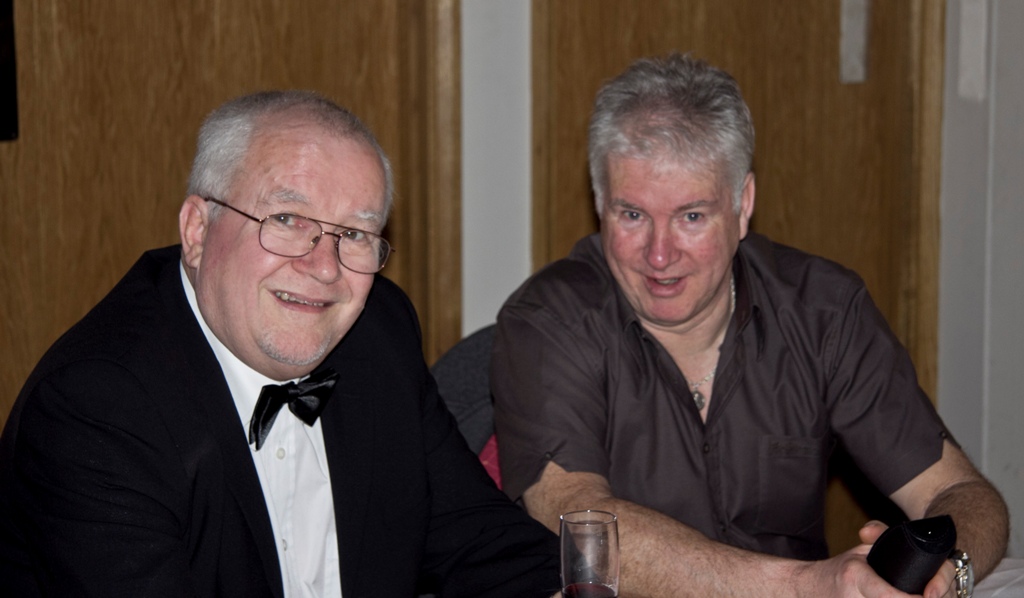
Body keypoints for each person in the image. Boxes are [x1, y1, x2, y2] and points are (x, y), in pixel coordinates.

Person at [0, 90, 560, 597]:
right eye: (288, 218)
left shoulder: (376, 334)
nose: (324, 268)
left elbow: (479, 539)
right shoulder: (96, 407)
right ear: (197, 230)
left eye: (354, 234)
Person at [490, 54, 1009, 597]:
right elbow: (578, 519)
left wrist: (947, 570)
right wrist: (804, 586)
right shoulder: (546, 322)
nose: (659, 254)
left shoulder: (823, 312)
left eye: (692, 216)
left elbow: (963, 495)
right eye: (632, 215)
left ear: (743, 205)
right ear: (599, 205)